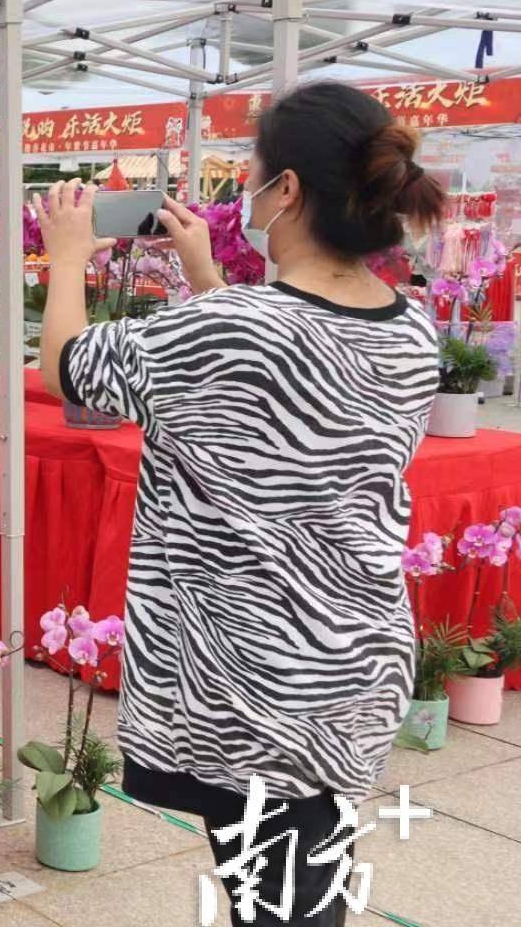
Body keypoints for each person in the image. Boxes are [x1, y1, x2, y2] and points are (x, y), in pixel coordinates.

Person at [34, 80, 446, 927]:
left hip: (254, 682)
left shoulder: (237, 329)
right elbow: (287, 363)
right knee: (304, 881)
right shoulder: (410, 328)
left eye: (254, 176)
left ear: (286, 190)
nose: (246, 192)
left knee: (278, 901)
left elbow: (68, 367)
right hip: (352, 661)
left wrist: (67, 254)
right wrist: (209, 278)